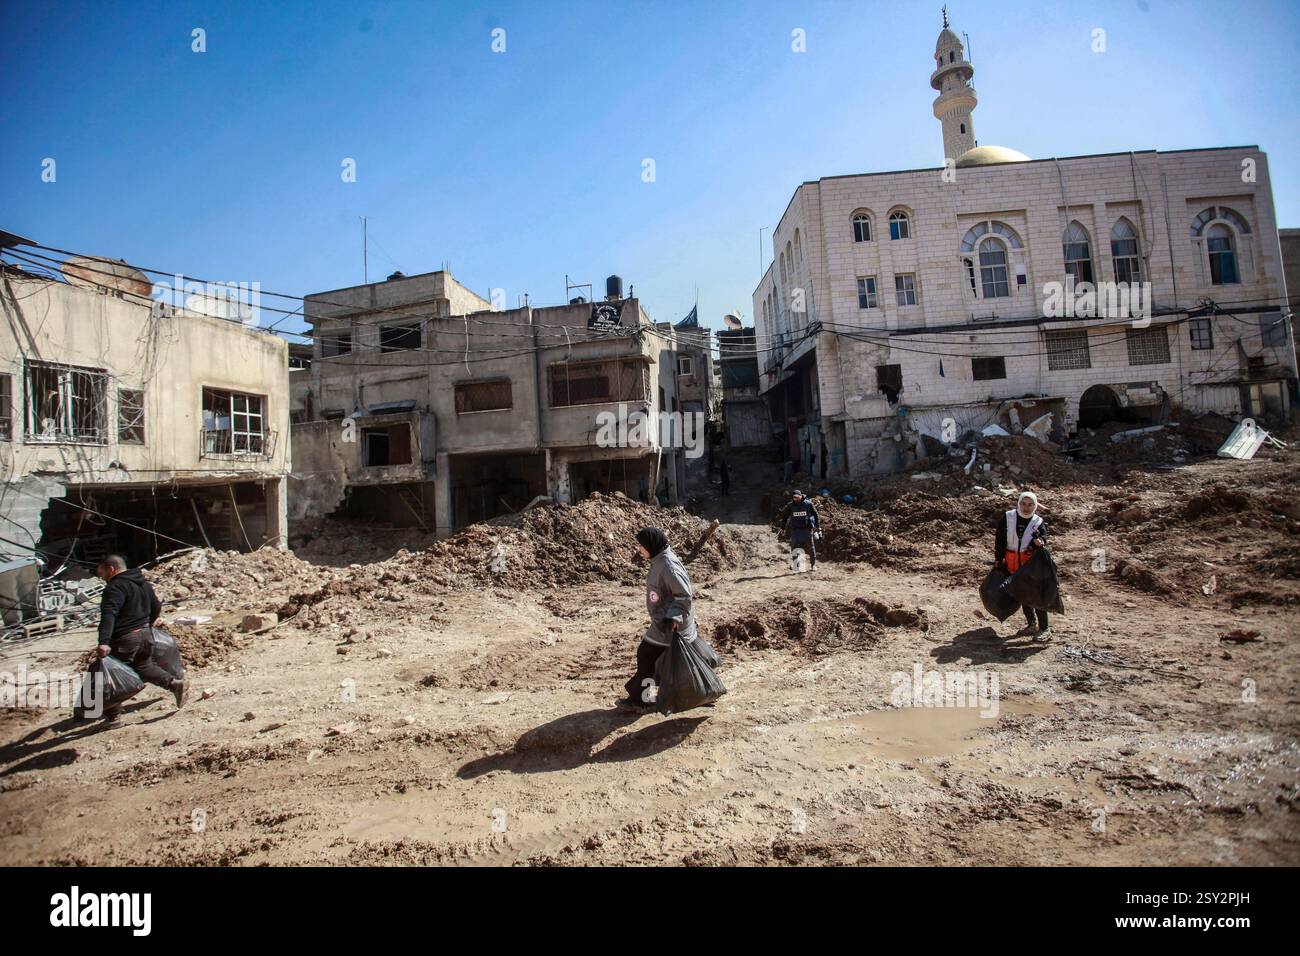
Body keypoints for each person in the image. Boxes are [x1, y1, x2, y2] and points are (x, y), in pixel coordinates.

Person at [95, 554, 187, 719]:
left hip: (125, 639)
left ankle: (113, 717)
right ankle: (175, 684)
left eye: (102, 573)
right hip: (146, 635)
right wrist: (148, 623)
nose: (101, 577)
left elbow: (109, 614)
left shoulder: (114, 588)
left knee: (110, 675)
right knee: (143, 666)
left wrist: (104, 642)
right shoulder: (142, 583)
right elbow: (156, 606)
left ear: (111, 569)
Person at [619, 527, 697, 712]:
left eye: (641, 546)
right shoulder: (659, 560)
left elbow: (684, 595)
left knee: (646, 656)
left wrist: (674, 617)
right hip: (664, 620)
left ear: (651, 546)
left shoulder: (668, 565)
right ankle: (651, 697)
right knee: (654, 659)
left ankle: (645, 700)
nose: (639, 549)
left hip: (669, 624)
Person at [994, 491, 1050, 640]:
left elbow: (1044, 536)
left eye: (1030, 504)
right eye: (1023, 504)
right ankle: (1031, 624)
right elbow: (1000, 539)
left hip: (1030, 565)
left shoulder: (1037, 521)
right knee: (1022, 594)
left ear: (1035, 506)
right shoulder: (1008, 517)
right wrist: (999, 558)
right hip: (1012, 562)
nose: (1026, 508)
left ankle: (1045, 629)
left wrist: (1039, 542)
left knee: (1036, 595)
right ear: (1019, 503)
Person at [781, 489, 820, 571]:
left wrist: (817, 526)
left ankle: (813, 565)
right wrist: (783, 527)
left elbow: (815, 514)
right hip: (795, 530)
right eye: (794, 497)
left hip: (807, 529)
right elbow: (785, 516)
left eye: (797, 497)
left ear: (801, 496)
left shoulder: (808, 504)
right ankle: (796, 565)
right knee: (794, 548)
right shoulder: (790, 505)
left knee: (811, 548)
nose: (796, 499)